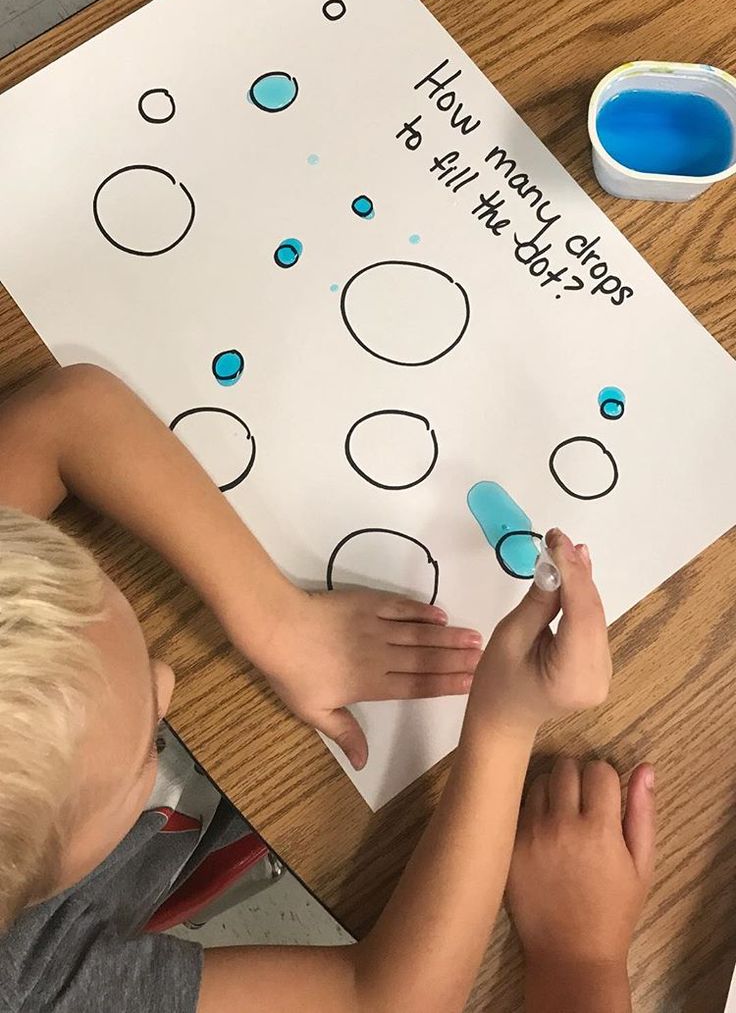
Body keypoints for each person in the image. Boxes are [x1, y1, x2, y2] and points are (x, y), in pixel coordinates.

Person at [0, 363, 654, 1012]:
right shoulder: (33, 983)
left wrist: (275, 620)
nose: (165, 678)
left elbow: (72, 410)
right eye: (147, 739)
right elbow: (390, 1001)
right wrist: (504, 724)